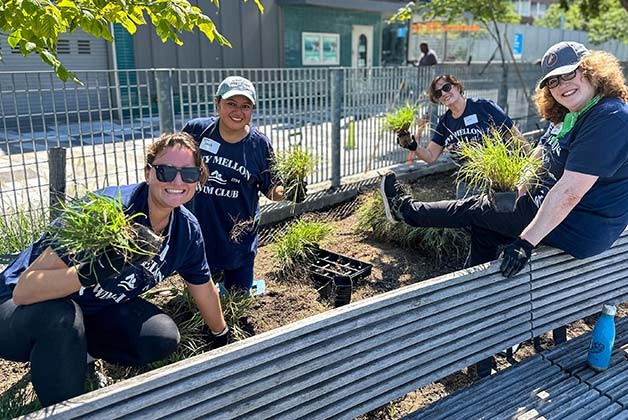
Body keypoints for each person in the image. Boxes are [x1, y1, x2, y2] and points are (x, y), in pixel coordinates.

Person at [380, 41, 628, 374]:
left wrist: (526, 243)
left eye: (571, 74)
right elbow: (543, 151)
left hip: (577, 224)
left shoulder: (608, 117)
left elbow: (569, 192)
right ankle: (481, 326)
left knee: (475, 208)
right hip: (559, 212)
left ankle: (408, 212)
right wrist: (521, 180)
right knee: (483, 226)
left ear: (593, 71)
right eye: (553, 81)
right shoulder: (576, 114)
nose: (562, 85)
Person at [0, 132, 229, 407]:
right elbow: (26, 291)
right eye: (166, 171)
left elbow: (202, 287)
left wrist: (222, 336)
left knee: (160, 336)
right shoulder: (104, 214)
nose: (177, 181)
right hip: (15, 310)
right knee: (62, 317)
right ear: (149, 173)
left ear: (198, 180)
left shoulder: (185, 231)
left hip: (87, 309)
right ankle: (66, 410)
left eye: (189, 174)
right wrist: (97, 269)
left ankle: (78, 354)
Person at [183, 76, 299, 293]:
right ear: (217, 103)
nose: (238, 111)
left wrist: (291, 191)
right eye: (231, 104)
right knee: (198, 302)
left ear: (252, 109)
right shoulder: (196, 131)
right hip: (199, 236)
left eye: (245, 106)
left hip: (238, 240)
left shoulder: (259, 144)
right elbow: (175, 167)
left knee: (238, 297)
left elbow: (272, 189)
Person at [398, 74, 525, 198]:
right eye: (438, 94)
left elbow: (514, 134)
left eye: (446, 88)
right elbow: (430, 157)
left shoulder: (484, 107)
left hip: (496, 182)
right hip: (466, 186)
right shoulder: (444, 123)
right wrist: (413, 146)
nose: (443, 94)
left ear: (457, 87)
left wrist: (533, 162)